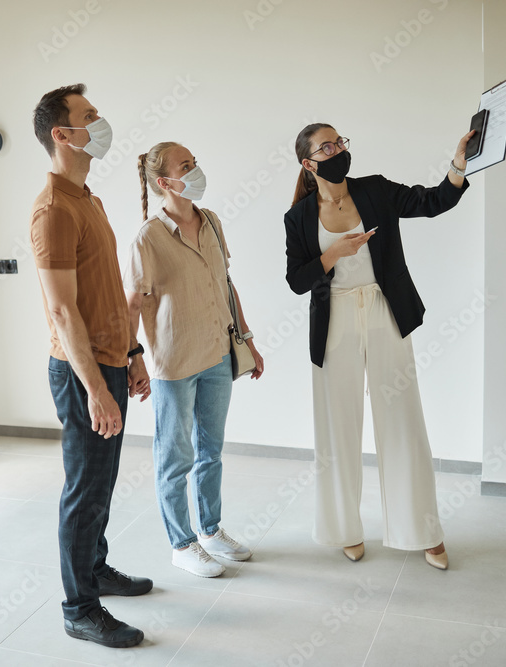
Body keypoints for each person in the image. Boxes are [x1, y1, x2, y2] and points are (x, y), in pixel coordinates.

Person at [283, 122, 475, 570]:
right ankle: (345, 528)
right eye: (326, 146)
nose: (338, 150)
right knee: (338, 428)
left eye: (340, 141)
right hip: (335, 325)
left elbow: (432, 202)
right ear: (309, 163)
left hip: (385, 312)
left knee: (403, 420)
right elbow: (296, 280)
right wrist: (335, 255)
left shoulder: (375, 190)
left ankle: (424, 531)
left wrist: (459, 165)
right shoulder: (298, 217)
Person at [30, 83, 154, 649]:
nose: (99, 123)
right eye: (89, 117)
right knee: (84, 489)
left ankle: (97, 569)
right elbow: (61, 310)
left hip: (108, 360)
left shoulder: (90, 200)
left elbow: (105, 293)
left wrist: (130, 354)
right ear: (62, 134)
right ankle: (79, 608)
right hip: (81, 372)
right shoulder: (53, 210)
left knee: (100, 483)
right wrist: (94, 389)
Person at [123, 142, 265, 578]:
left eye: (195, 162)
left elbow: (225, 284)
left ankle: (210, 529)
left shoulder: (212, 222)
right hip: (174, 363)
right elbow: (132, 304)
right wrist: (134, 359)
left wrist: (248, 340)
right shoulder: (149, 237)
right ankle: (181, 543)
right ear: (164, 182)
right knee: (175, 455)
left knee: (211, 451)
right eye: (186, 166)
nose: (196, 170)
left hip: (218, 354)